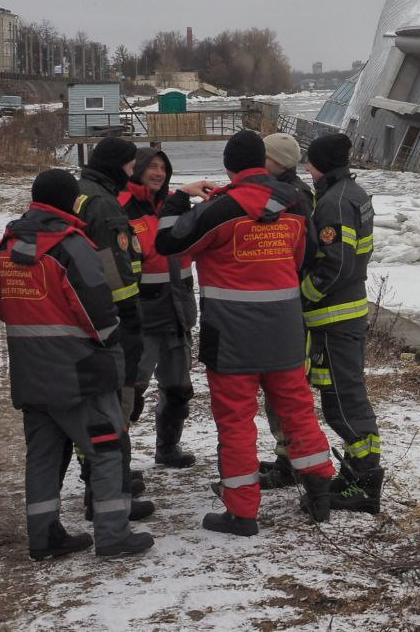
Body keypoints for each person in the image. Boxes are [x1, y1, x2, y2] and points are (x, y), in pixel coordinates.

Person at [155, 129, 335, 535]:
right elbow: (303, 258)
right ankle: (320, 490)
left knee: (236, 421)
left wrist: (179, 197)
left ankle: (242, 512)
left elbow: (168, 242)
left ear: (228, 165)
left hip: (231, 336)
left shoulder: (220, 208)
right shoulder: (294, 203)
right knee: (298, 410)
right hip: (286, 330)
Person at [0, 169, 154, 559]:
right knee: (107, 450)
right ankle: (113, 536)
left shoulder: (7, 245)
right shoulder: (71, 244)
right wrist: (113, 344)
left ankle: (43, 538)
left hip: (31, 375)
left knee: (43, 456)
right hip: (80, 374)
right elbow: (98, 312)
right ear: (70, 202)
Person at [301, 133, 382, 513]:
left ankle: (365, 481)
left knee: (342, 403)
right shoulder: (353, 191)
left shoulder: (333, 203)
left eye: (309, 161)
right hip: (346, 312)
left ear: (320, 165)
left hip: (335, 316)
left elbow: (335, 265)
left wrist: (302, 294)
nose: (305, 167)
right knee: (345, 395)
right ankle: (357, 473)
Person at [74, 136, 152, 517]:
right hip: (110, 316)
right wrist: (130, 312)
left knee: (96, 403)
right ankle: (110, 491)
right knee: (115, 402)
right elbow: (112, 266)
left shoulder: (80, 192)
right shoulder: (105, 205)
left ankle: (100, 478)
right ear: (114, 166)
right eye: (129, 165)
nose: (132, 172)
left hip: (81, 314)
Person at [119, 147, 198, 468]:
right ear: (136, 170)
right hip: (142, 318)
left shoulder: (174, 207)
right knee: (129, 393)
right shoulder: (122, 208)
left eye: (163, 167)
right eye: (151, 166)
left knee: (179, 389)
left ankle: (167, 448)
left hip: (177, 312)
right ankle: (117, 463)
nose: (158, 172)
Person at [256, 132, 316, 490]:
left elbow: (300, 252)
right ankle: (286, 454)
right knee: (282, 387)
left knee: (286, 388)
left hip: (287, 303)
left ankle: (289, 459)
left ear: (276, 162)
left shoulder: (288, 198)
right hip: (286, 300)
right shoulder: (295, 193)